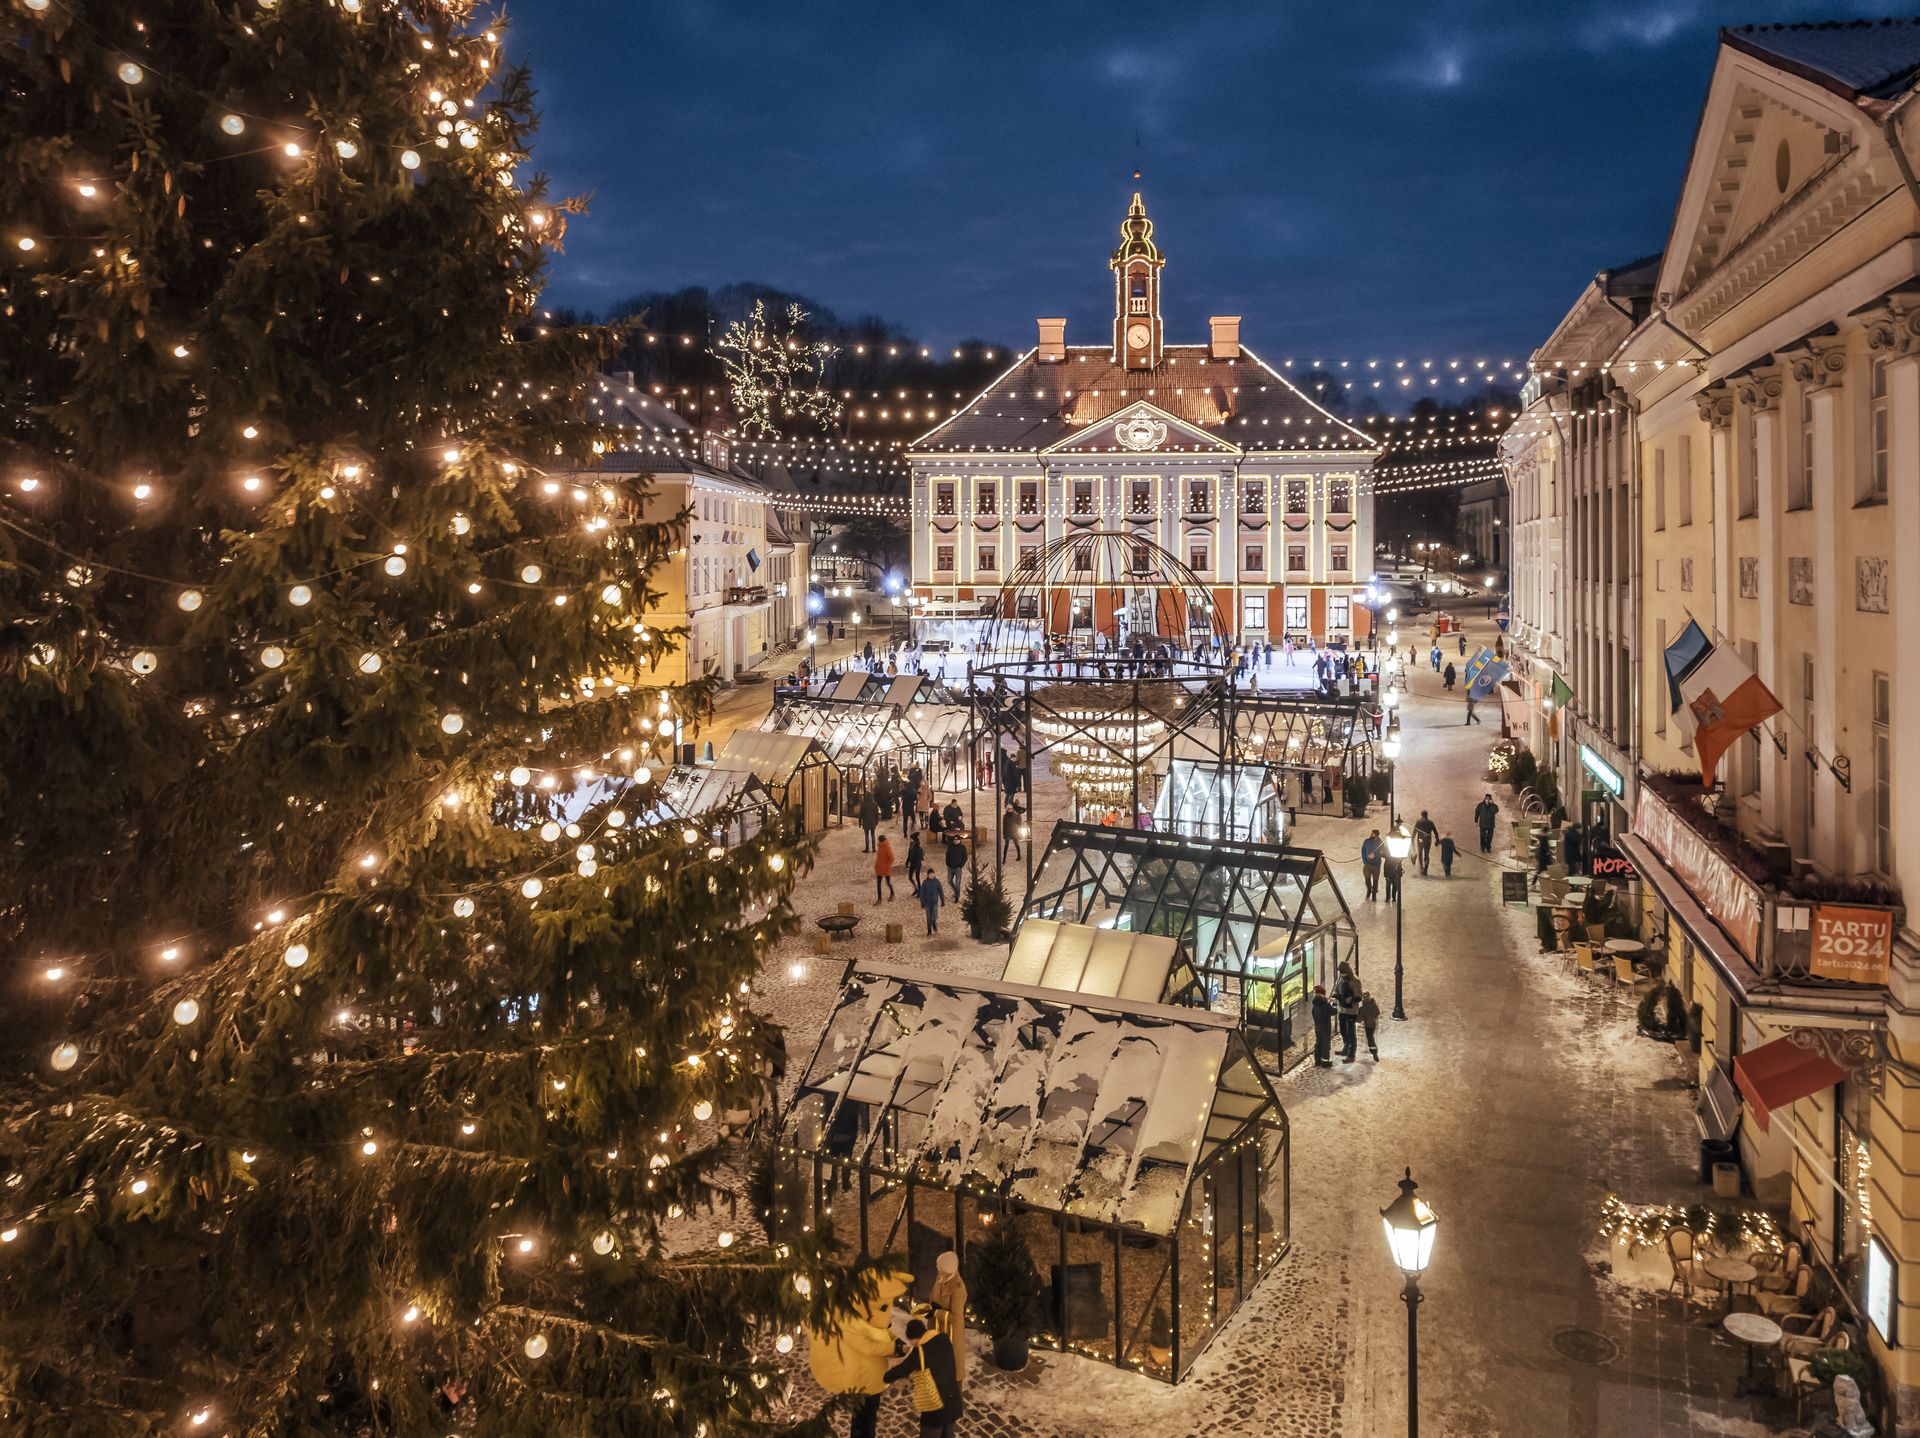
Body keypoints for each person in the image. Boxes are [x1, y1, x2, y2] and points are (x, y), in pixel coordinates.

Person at [808, 1270, 910, 1438]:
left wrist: (892, 1339)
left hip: (872, 1379)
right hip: (863, 1381)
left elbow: (880, 1332)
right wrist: (893, 1348)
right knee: (864, 1419)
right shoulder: (850, 1322)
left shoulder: (866, 1315)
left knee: (867, 1416)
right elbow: (868, 1347)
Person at [884, 1317, 962, 1438]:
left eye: (912, 1341)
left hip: (935, 1404)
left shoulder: (920, 1351)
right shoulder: (944, 1338)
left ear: (914, 1337)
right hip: (952, 1398)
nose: (912, 1344)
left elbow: (904, 1368)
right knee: (948, 1434)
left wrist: (886, 1377)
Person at [928, 1251, 969, 1383]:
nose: (936, 1267)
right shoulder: (941, 1276)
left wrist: (936, 1312)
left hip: (950, 1335)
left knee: (952, 1373)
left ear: (946, 1269)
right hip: (937, 1329)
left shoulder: (958, 1289)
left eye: (938, 1265)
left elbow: (956, 1318)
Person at [1334, 963, 1361, 1063]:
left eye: (1343, 972)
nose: (1341, 974)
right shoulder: (1341, 979)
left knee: (1351, 1033)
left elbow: (1359, 996)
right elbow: (1336, 989)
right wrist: (1336, 995)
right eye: (1340, 972)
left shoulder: (1356, 981)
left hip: (1351, 1012)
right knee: (1343, 1031)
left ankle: (1351, 1054)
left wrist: (1351, 1000)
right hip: (1341, 1010)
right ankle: (1345, 1048)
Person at [1310, 984, 1335, 1068]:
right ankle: (1325, 1062)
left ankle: (1317, 1061)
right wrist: (1333, 1003)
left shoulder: (1315, 1005)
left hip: (1318, 1027)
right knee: (1326, 1044)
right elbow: (1334, 1011)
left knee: (1318, 1043)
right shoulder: (1325, 1005)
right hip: (1325, 1028)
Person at [1360, 829, 1384, 901]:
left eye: (1373, 834)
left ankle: (1374, 894)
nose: (1371, 834)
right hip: (1367, 864)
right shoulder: (1367, 841)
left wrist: (1376, 855)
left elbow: (1383, 852)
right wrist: (1365, 860)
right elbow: (1363, 850)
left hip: (1376, 865)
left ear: (1376, 835)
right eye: (1371, 833)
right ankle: (1369, 889)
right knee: (1367, 879)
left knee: (1375, 880)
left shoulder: (1380, 843)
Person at [1413, 811, 1438, 875]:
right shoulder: (1430, 822)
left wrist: (1412, 840)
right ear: (1427, 815)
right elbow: (1435, 832)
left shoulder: (1418, 822)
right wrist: (1437, 840)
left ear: (1421, 815)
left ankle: (1421, 868)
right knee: (1426, 855)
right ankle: (1426, 869)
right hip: (1428, 841)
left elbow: (1414, 832)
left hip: (1420, 840)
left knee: (1420, 854)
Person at [1359, 989, 1381, 1060]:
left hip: (1368, 1025)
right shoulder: (1373, 1004)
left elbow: (1359, 1018)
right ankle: (1373, 1051)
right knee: (1370, 1036)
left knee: (1370, 1038)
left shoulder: (1363, 1008)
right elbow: (1377, 1012)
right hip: (1373, 1023)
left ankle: (1374, 1052)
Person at [944, 835, 968, 900]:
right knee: (949, 880)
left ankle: (957, 896)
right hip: (950, 868)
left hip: (958, 868)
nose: (956, 841)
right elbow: (947, 856)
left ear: (959, 840)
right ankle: (956, 891)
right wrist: (947, 864)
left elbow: (965, 858)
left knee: (957, 883)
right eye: (955, 840)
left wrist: (960, 866)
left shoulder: (963, 847)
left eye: (957, 840)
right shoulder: (950, 847)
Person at [873, 835, 895, 903]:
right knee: (878, 884)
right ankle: (879, 898)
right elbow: (879, 858)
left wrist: (887, 866)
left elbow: (891, 858)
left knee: (888, 882)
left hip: (885, 869)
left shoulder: (886, 847)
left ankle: (892, 893)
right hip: (879, 868)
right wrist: (876, 865)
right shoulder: (880, 846)